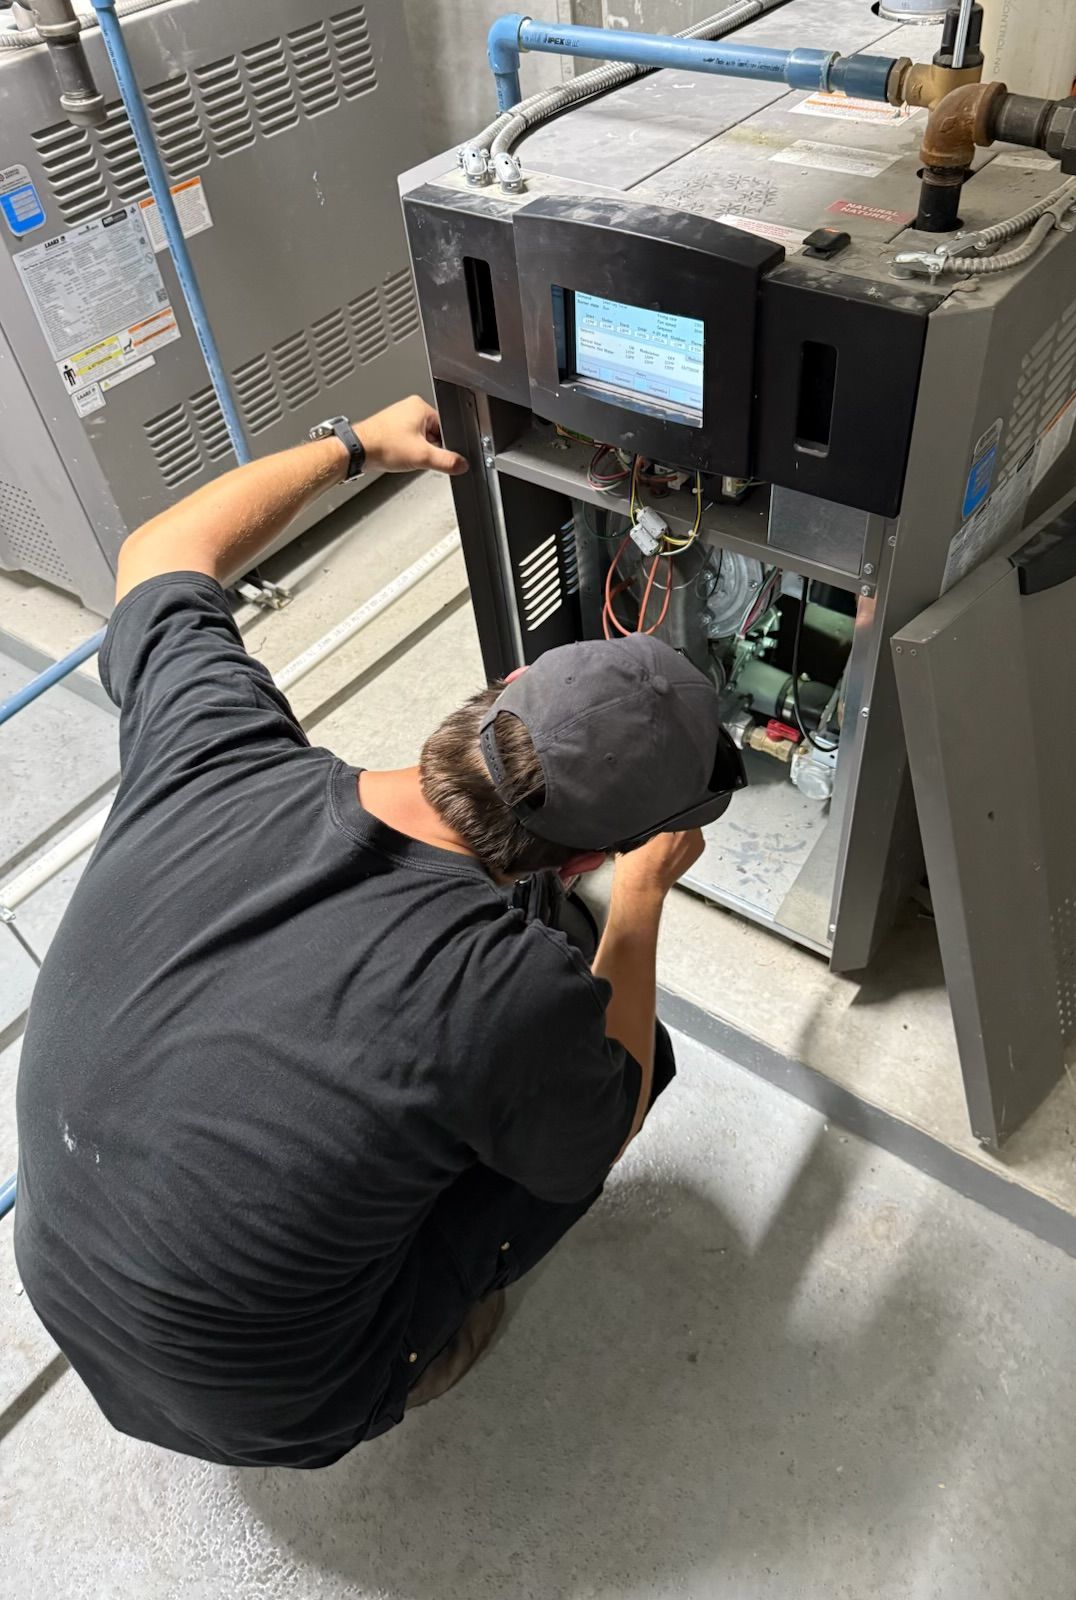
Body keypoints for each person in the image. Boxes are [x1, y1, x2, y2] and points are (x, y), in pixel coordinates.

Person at [13, 397, 743, 1469]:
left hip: (64, 1282)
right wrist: (637, 910)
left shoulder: (215, 746)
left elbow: (160, 550)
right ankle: (433, 1345)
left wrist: (354, 446)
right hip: (282, 1399)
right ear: (590, 857)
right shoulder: (511, 994)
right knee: (628, 1065)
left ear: (495, 692)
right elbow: (608, 1121)